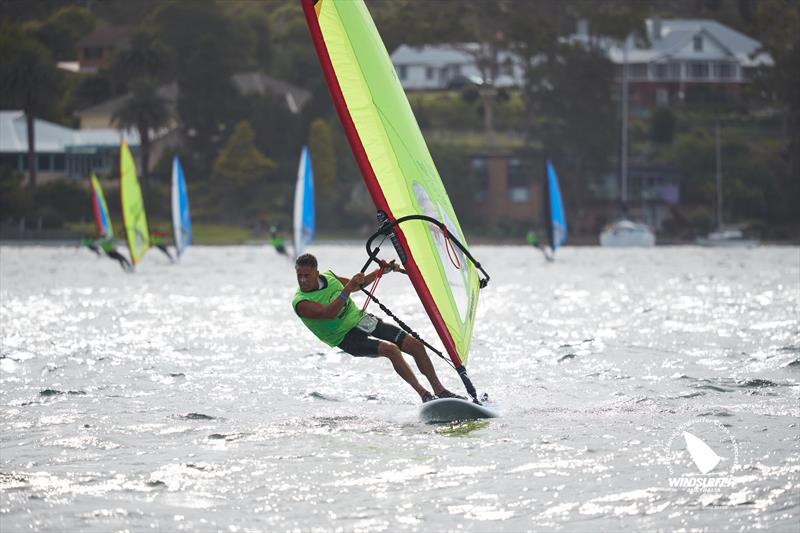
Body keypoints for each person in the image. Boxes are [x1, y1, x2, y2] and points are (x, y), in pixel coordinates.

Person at [292, 253, 465, 403]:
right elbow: (329, 313)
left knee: (415, 345)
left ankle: (440, 391)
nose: (303, 280)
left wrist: (380, 271)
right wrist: (347, 289)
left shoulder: (329, 277)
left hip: (362, 321)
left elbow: (359, 285)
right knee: (391, 350)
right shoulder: (300, 302)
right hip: (346, 338)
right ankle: (424, 395)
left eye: (307, 275)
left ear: (316, 272)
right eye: (299, 275)